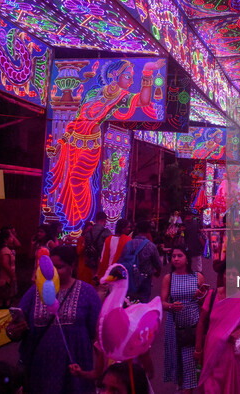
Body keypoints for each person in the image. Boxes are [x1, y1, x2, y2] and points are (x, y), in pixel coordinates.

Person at [47, 58, 166, 232]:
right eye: (128, 77)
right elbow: (76, 119)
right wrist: (61, 142)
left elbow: (144, 100)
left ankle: (81, 221)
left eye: (132, 77)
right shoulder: (92, 93)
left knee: (76, 180)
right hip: (74, 143)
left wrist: (147, 72)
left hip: (91, 145)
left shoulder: (121, 97)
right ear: (114, 75)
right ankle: (74, 225)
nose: (131, 81)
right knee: (71, 183)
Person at [6, 245, 101, 393]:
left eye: (60, 267)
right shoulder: (34, 292)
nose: (53, 272)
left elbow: (94, 331)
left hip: (75, 364)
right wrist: (13, 331)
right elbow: (16, 325)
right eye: (51, 267)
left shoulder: (87, 292)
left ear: (73, 266)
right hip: (40, 366)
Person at [194, 263, 240, 393]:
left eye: (235, 274)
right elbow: (201, 322)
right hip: (212, 351)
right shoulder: (212, 295)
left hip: (234, 355)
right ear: (222, 276)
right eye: (228, 274)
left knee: (235, 387)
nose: (231, 277)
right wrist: (198, 349)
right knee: (212, 386)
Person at [161, 246, 207, 394]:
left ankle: (187, 389)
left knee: (189, 362)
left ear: (187, 259)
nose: (175, 259)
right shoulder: (169, 278)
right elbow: (161, 303)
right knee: (177, 361)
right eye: (173, 256)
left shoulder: (198, 277)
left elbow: (205, 303)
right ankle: (182, 384)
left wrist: (200, 296)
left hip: (193, 326)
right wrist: (170, 306)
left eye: (179, 256)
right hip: (174, 328)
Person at [118, 220, 162, 302]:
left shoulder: (128, 244)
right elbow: (158, 264)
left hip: (129, 278)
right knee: (142, 305)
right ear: (148, 231)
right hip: (144, 280)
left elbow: (121, 260)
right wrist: (157, 272)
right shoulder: (151, 246)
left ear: (137, 230)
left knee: (129, 303)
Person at [0, 227, 17, 308]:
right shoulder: (5, 251)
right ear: (5, 239)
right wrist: (13, 276)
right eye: (11, 237)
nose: (12, 238)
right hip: (5, 279)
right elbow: (5, 264)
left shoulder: (4, 249)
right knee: (5, 301)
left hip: (4, 278)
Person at [84, 212, 112, 277]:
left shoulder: (88, 233)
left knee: (92, 278)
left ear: (96, 220)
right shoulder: (106, 232)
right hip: (102, 262)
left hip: (90, 260)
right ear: (105, 220)